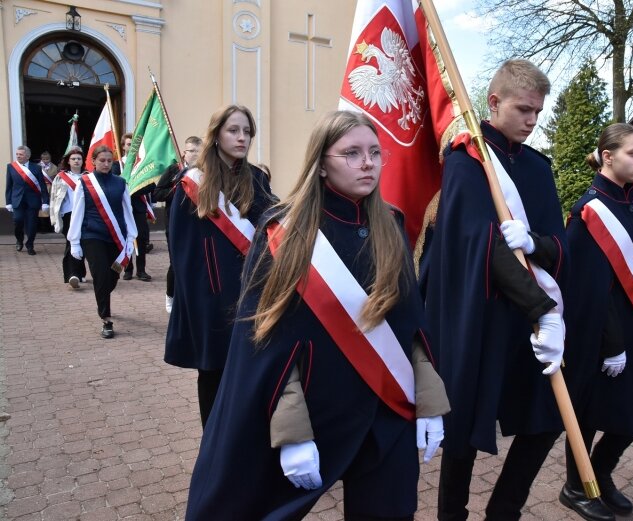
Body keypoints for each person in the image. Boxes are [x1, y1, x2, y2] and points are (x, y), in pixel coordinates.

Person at [186, 110, 450, 521]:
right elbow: (267, 340)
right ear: (322, 164)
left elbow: (409, 325)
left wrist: (430, 401)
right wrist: (292, 433)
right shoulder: (283, 231)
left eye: (375, 153)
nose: (368, 162)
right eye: (351, 153)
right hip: (316, 411)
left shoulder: (392, 225)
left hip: (387, 411)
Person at [420, 59, 567, 521]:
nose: (532, 120)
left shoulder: (539, 169)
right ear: (494, 101)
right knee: (462, 427)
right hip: (481, 315)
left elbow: (558, 242)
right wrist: (541, 307)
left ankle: (504, 512)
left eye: (539, 112)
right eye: (524, 109)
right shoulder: (468, 161)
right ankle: (452, 515)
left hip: (528, 322)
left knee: (546, 419)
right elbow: (475, 242)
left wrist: (537, 243)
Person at [560, 123, 633, 521]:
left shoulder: (631, 202)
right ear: (608, 156)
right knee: (589, 415)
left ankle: (601, 473)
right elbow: (587, 289)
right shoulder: (589, 210)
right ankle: (577, 486)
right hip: (604, 335)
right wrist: (612, 343)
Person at [164, 105, 275, 427]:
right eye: (233, 130)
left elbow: (273, 230)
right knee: (212, 374)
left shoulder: (258, 178)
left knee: (252, 371)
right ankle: (213, 444)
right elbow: (181, 251)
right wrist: (195, 303)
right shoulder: (192, 184)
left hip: (253, 293)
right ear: (216, 135)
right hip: (210, 297)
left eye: (247, 131)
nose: (242, 137)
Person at [67, 145, 137, 339]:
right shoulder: (85, 182)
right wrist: (74, 241)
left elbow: (127, 211)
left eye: (109, 161)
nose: (106, 164)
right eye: (102, 161)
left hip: (117, 237)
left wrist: (131, 237)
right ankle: (106, 319)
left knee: (112, 276)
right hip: (93, 235)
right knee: (100, 275)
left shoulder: (121, 183)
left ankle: (103, 295)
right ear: (94, 161)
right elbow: (77, 212)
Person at [153, 136, 202, 313]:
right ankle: (171, 296)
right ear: (184, 153)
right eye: (192, 151)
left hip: (197, 224)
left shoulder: (206, 172)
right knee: (176, 262)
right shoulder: (175, 170)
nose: (195, 155)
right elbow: (157, 194)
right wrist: (176, 189)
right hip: (175, 224)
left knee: (196, 261)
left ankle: (191, 297)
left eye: (199, 151)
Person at [113, 132, 156, 282]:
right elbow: (114, 185)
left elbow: (149, 185)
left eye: (134, 145)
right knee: (126, 238)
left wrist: (133, 188)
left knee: (142, 238)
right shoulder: (117, 165)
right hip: (123, 208)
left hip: (138, 207)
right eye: (129, 144)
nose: (131, 147)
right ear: (123, 146)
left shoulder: (142, 165)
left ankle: (141, 270)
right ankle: (128, 269)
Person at [50, 148, 87, 287]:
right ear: (68, 161)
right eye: (73, 159)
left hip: (83, 214)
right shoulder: (60, 177)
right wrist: (54, 219)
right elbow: (53, 198)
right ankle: (72, 274)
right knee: (71, 241)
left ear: (83, 161)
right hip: (67, 214)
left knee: (82, 242)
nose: (76, 161)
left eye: (79, 158)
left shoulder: (88, 176)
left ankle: (80, 272)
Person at [5, 145, 49, 255]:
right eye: (17, 154)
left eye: (21, 154)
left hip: (32, 200)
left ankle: (30, 245)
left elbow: (42, 186)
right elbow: (9, 186)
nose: (18, 156)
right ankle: (19, 240)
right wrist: (8, 202)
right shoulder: (11, 167)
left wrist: (45, 202)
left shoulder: (37, 168)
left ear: (27, 156)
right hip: (17, 200)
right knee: (18, 221)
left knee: (32, 224)